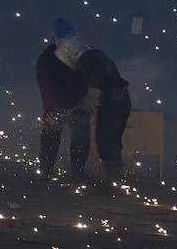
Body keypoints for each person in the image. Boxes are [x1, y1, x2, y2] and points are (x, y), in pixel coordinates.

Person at [51, 19, 131, 182]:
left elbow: (94, 89)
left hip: (112, 102)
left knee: (107, 141)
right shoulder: (98, 56)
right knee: (112, 141)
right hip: (121, 101)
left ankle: (113, 182)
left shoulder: (87, 60)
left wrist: (82, 105)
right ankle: (114, 179)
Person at [37, 21, 90, 181]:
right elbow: (45, 85)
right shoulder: (48, 58)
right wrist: (51, 107)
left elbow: (85, 78)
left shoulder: (76, 56)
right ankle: (46, 171)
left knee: (80, 138)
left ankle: (76, 172)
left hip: (75, 104)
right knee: (51, 139)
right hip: (58, 105)